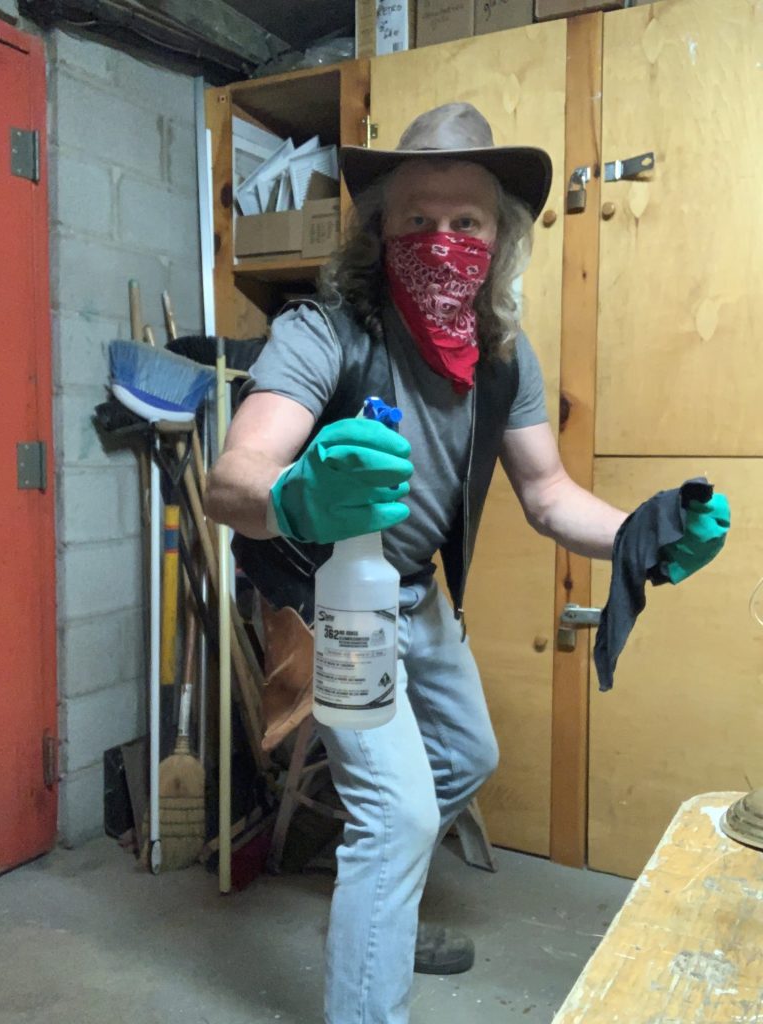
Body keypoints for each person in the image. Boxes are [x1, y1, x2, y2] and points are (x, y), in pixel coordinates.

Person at [205, 103, 727, 1024]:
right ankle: (371, 988)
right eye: (416, 220)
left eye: (465, 222)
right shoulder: (326, 332)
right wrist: (292, 495)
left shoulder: (500, 358)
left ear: (499, 237)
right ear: (380, 230)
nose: (440, 241)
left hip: (416, 591)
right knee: (400, 813)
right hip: (333, 596)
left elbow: (548, 493)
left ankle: (378, 908)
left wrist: (645, 532)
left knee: (465, 757)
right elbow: (232, 477)